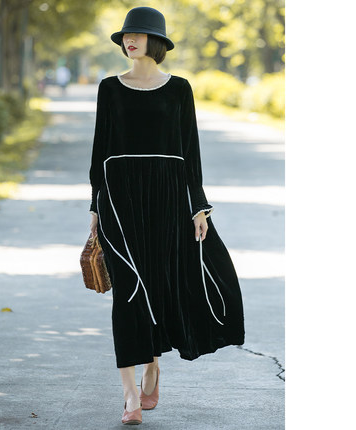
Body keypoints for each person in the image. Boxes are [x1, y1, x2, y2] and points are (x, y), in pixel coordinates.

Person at [88, 6, 245, 426]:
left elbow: (190, 152)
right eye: (126, 35)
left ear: (154, 41)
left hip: (169, 199)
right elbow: (100, 149)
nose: (129, 40)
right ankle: (130, 396)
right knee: (127, 293)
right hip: (119, 200)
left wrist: (198, 206)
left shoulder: (179, 89)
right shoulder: (109, 88)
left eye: (138, 34)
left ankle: (153, 366)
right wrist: (95, 207)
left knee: (158, 288)